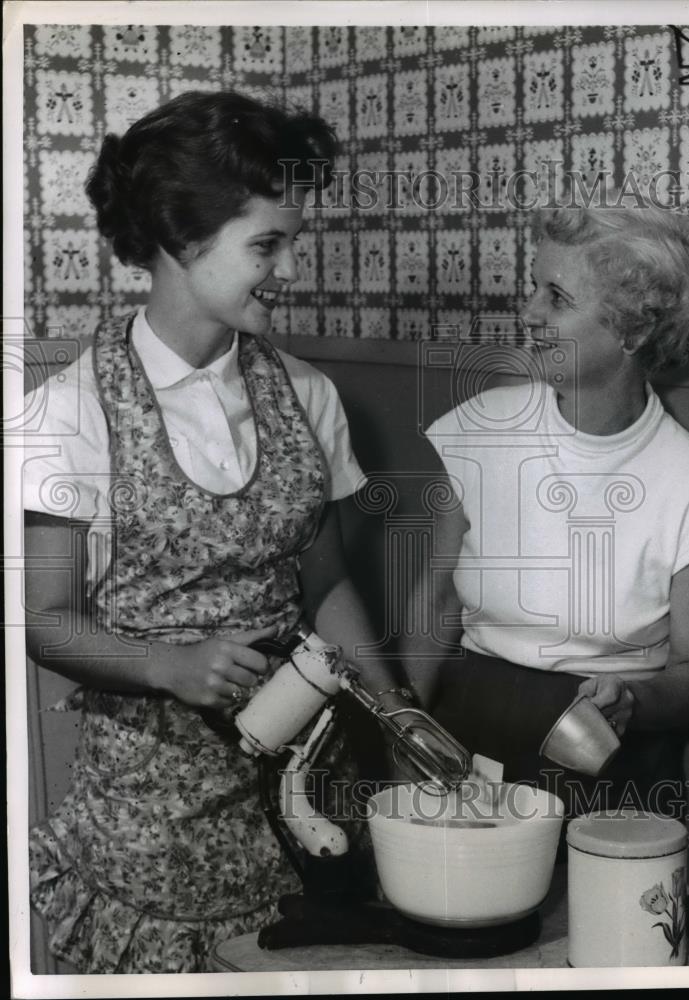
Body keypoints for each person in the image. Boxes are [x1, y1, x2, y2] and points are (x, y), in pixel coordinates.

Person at [23, 90, 404, 974]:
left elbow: (330, 584)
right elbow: (47, 617)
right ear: (180, 239)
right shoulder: (68, 412)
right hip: (155, 819)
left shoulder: (307, 395)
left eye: (290, 241)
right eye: (266, 244)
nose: (289, 267)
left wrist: (398, 718)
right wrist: (168, 665)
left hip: (310, 789)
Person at [402, 200, 689, 817]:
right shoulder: (481, 428)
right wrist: (406, 731)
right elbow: (434, 602)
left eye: (557, 298)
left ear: (634, 331)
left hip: (610, 766)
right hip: (465, 731)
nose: (529, 311)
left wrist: (634, 702)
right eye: (534, 288)